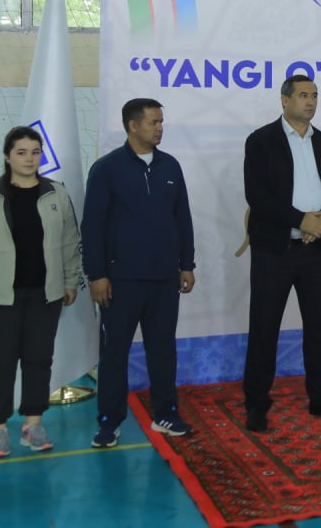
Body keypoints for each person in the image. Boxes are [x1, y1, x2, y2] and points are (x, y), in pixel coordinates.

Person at [0, 126, 82, 458]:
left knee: (39, 360)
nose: (29, 159)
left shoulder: (56, 193)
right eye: (22, 152)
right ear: (7, 156)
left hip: (45, 295)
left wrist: (70, 280)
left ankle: (33, 424)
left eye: (35, 152)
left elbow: (70, 241)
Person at [242, 76, 321, 432]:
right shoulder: (261, 141)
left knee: (320, 329)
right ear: (284, 100)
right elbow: (258, 195)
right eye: (303, 95)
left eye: (315, 96)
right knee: (264, 328)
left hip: (316, 250)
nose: (311, 102)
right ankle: (257, 404)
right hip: (275, 252)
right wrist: (300, 220)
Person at [83, 98, 196, 448]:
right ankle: (109, 421)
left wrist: (187, 264)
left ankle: (166, 413)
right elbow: (93, 225)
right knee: (114, 353)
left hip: (164, 279)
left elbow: (182, 218)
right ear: (133, 126)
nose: (160, 128)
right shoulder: (106, 169)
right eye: (153, 122)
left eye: (161, 121)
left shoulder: (170, 166)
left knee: (162, 350)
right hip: (120, 281)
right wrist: (96, 275)